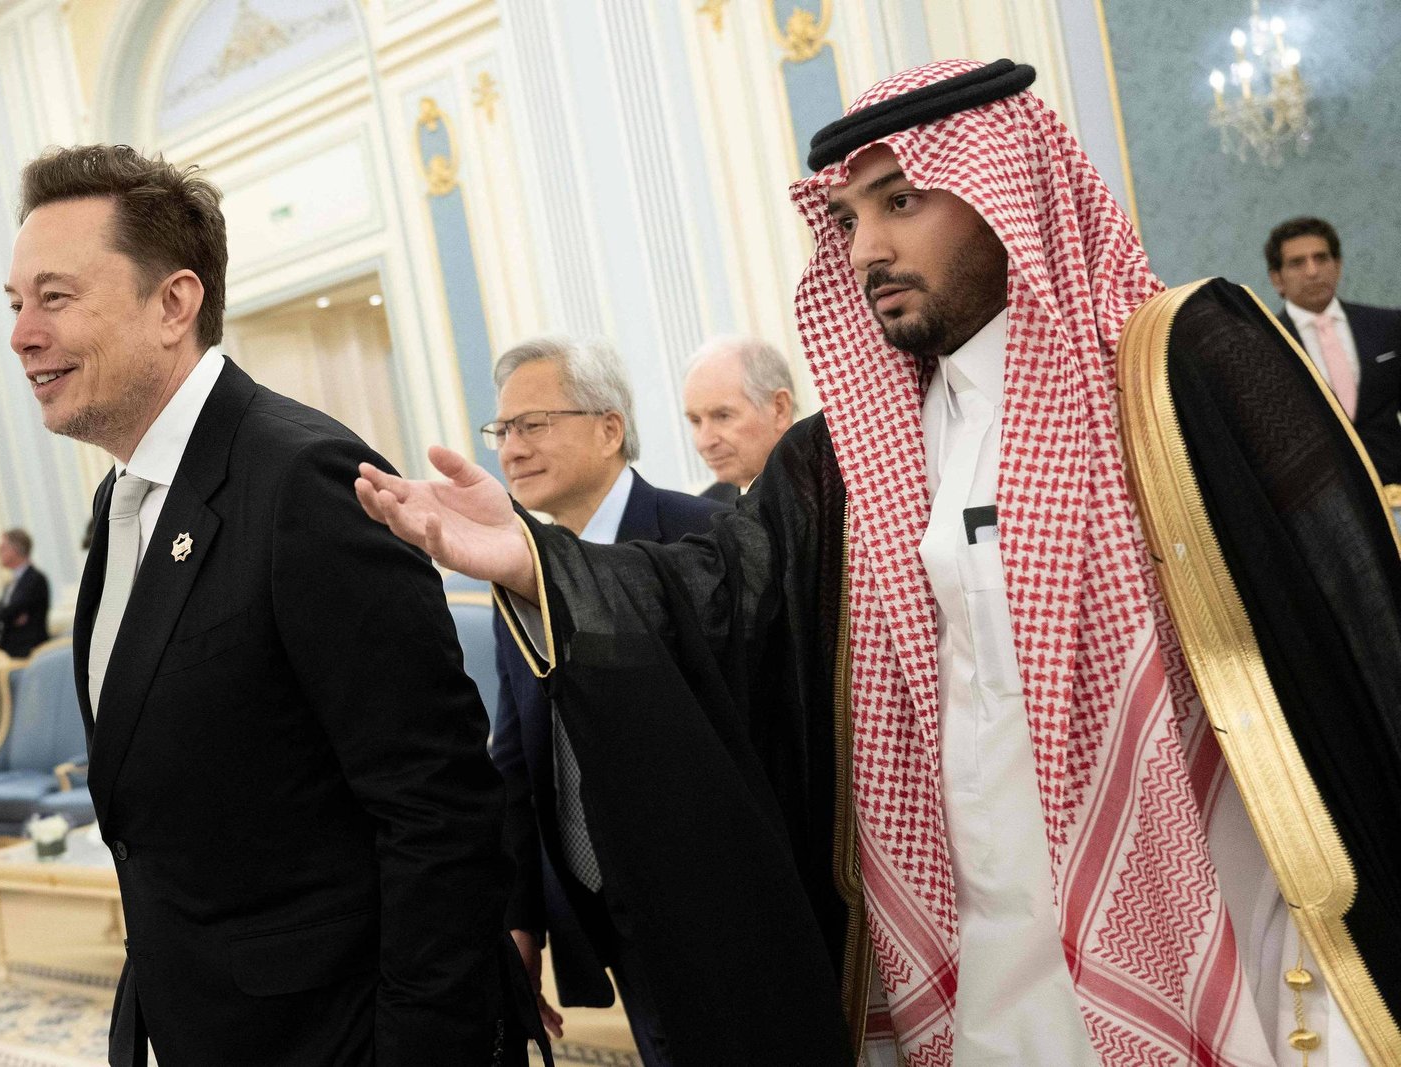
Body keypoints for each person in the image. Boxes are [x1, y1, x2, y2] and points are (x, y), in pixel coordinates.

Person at [357, 60, 1396, 1066]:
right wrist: (536, 560)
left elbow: (1352, 618)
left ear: (1006, 191)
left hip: (1218, 906)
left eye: (901, 201)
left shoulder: (1180, 367)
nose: (867, 247)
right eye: (850, 218)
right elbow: (711, 595)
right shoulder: (845, 455)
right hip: (980, 933)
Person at [7, 144, 521, 1067]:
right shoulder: (124, 500)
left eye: (55, 297)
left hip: (339, 1035)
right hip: (204, 1021)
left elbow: (437, 807)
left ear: (175, 303)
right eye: (15, 305)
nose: (21, 336)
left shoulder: (302, 478)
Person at [484, 336, 725, 1064]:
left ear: (609, 427)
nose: (512, 449)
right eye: (502, 431)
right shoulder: (520, 572)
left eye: (533, 425)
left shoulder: (701, 537)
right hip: (605, 913)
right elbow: (516, 761)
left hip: (717, 908)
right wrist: (519, 921)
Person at [1265, 217, 1401, 487]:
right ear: (1277, 278)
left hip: (1394, 485)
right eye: (1297, 263)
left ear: (1337, 266)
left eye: (1321, 258)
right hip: (1322, 493)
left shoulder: (1388, 325)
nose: (1313, 271)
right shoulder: (1266, 343)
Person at [680, 336, 795, 503]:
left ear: (779, 408)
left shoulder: (842, 487)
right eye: (696, 421)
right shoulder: (702, 516)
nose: (704, 443)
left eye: (723, 416)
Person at [0, 529, 49, 658]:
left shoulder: (34, 579)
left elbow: (13, 609)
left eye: (3, 548)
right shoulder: (10, 584)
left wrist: (4, 617)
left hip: (28, 652)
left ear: (16, 549)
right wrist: (6, 619)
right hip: (7, 652)